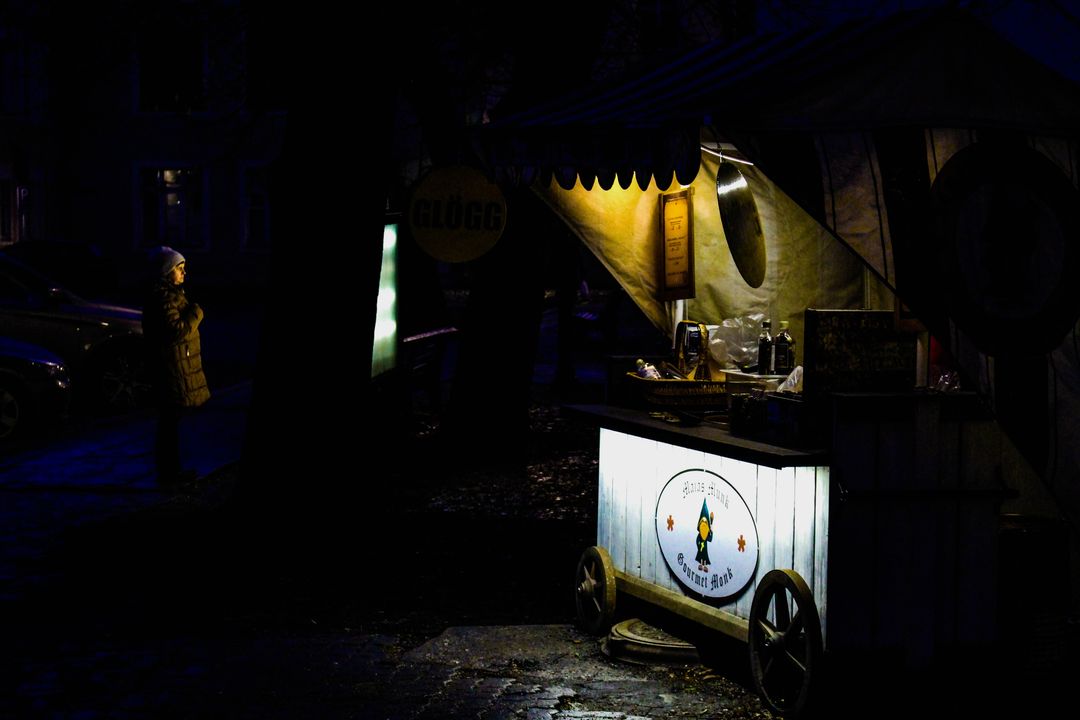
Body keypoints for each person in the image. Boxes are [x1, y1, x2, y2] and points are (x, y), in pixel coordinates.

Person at [141, 246, 210, 486]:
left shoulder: (171, 295)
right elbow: (177, 331)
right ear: (167, 271)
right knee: (169, 424)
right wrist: (196, 313)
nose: (184, 273)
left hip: (174, 366)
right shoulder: (162, 299)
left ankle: (173, 471)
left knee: (172, 424)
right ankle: (169, 474)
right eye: (179, 269)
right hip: (169, 369)